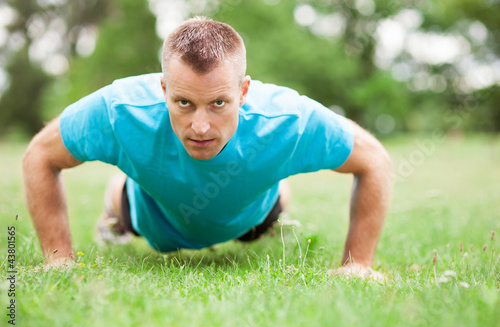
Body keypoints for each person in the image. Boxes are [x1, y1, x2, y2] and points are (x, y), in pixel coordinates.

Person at [23, 17, 392, 279]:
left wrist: (358, 264)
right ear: (163, 89)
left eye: (218, 103)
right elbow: (40, 154)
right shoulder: (121, 110)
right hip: (150, 218)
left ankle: (274, 194)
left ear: (243, 92)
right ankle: (115, 210)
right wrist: (58, 260)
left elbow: (373, 159)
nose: (200, 127)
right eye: (184, 103)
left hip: (251, 219)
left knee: (279, 195)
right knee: (120, 198)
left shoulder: (287, 120)